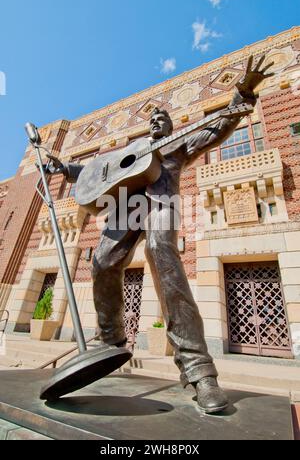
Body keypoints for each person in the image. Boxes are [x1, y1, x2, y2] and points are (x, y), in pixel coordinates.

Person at [46, 55, 274, 414]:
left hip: (161, 202)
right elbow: (96, 169)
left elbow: (217, 129)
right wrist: (67, 169)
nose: (155, 121)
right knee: (103, 261)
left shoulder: (177, 145)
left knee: (161, 253)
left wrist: (240, 96)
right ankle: (111, 339)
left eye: (161, 119)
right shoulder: (132, 151)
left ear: (170, 127)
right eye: (151, 119)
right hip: (125, 205)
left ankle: (199, 372)